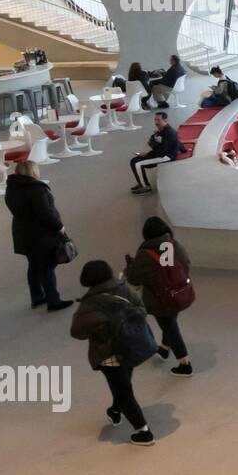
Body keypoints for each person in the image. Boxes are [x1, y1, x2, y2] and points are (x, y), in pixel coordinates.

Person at [69, 259, 155, 446]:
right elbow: (141, 309)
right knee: (123, 384)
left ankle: (144, 432)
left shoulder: (89, 305)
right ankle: (115, 412)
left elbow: (76, 332)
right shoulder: (124, 289)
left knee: (124, 392)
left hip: (109, 354)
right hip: (131, 347)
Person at [124, 216, 193, 377]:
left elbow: (133, 277)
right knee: (170, 322)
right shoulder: (174, 245)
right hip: (177, 294)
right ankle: (163, 349)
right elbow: (186, 263)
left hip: (159, 299)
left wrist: (129, 266)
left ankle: (185, 364)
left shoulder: (146, 254)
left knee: (170, 327)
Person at [4, 159, 73, 311]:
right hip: (41, 235)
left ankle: (37, 297)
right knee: (48, 267)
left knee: (34, 266)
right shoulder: (36, 189)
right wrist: (59, 226)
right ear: (33, 172)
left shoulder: (12, 188)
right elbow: (45, 213)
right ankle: (53, 301)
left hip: (23, 233)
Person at [130, 112, 183, 194]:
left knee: (136, 163)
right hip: (161, 154)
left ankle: (145, 187)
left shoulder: (169, 132)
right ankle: (142, 183)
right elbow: (176, 142)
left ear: (165, 120)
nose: (156, 122)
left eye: (158, 120)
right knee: (134, 160)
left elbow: (162, 151)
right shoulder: (162, 130)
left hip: (166, 156)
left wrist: (147, 154)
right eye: (155, 120)